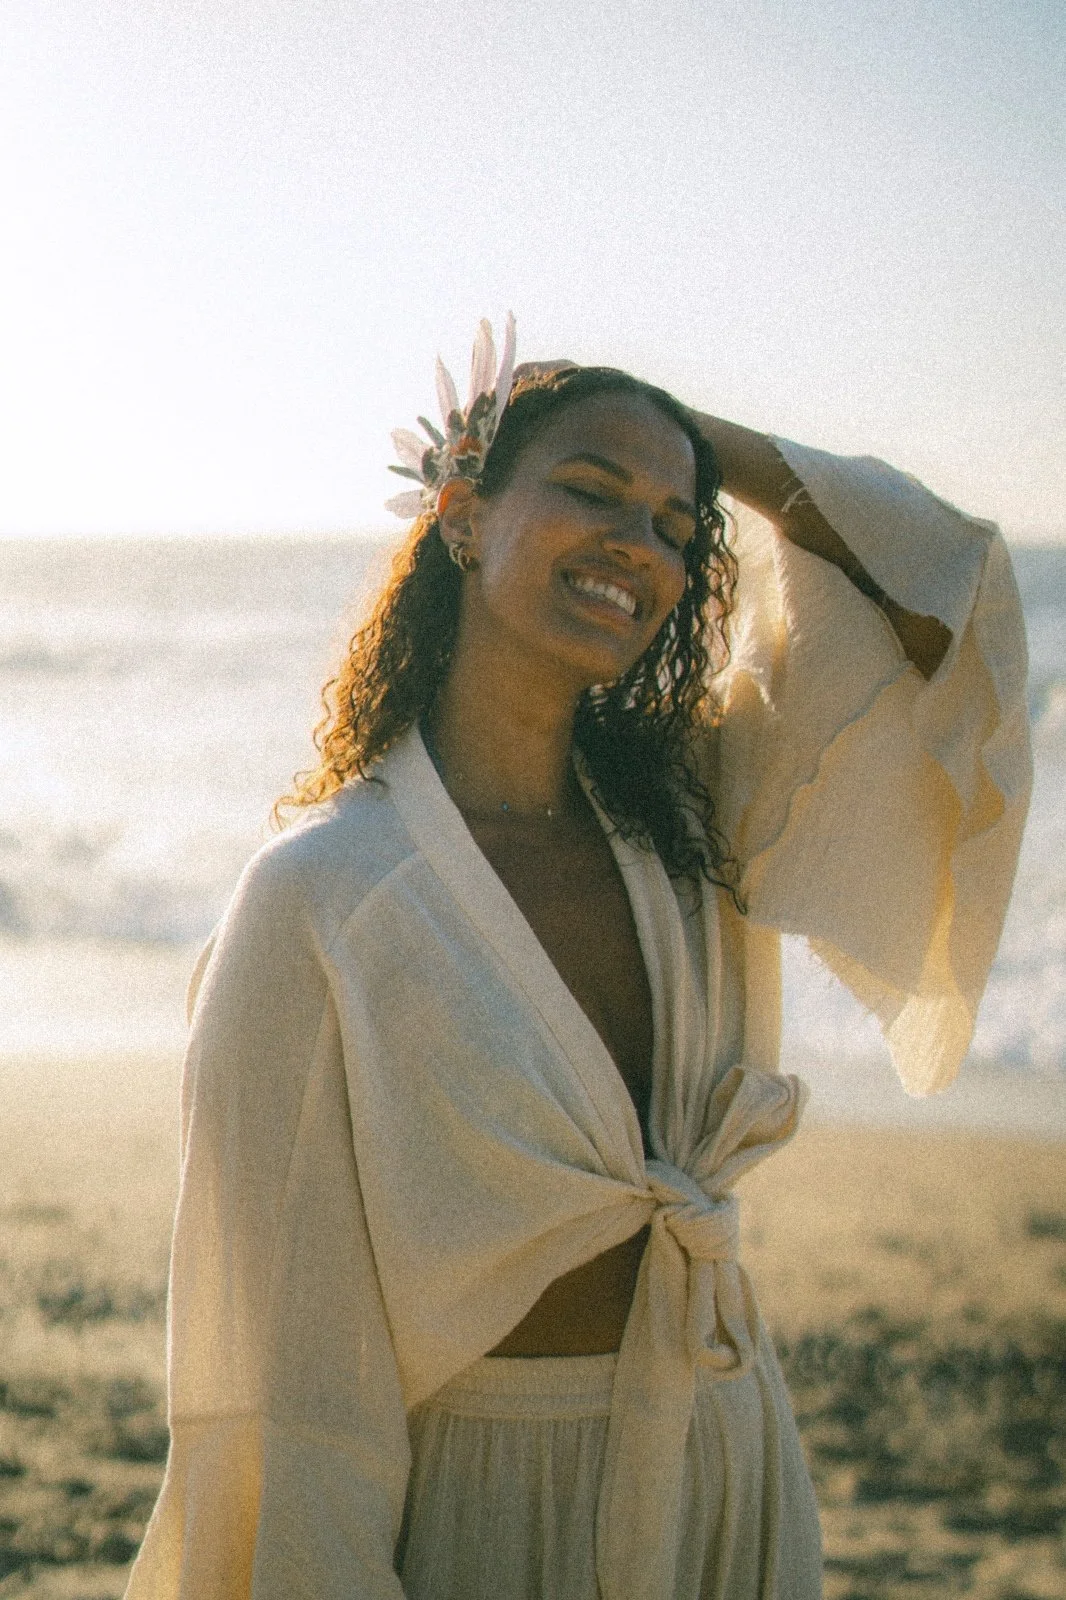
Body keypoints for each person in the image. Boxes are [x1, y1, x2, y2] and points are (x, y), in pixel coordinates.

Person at [125, 317, 1031, 1600]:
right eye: (589, 491)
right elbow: (279, 1383)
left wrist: (690, 440)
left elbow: (950, 599)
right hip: (494, 1511)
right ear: (461, 515)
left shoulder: (693, 823)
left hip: (725, 1454)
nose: (638, 545)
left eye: (672, 526)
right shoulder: (322, 899)